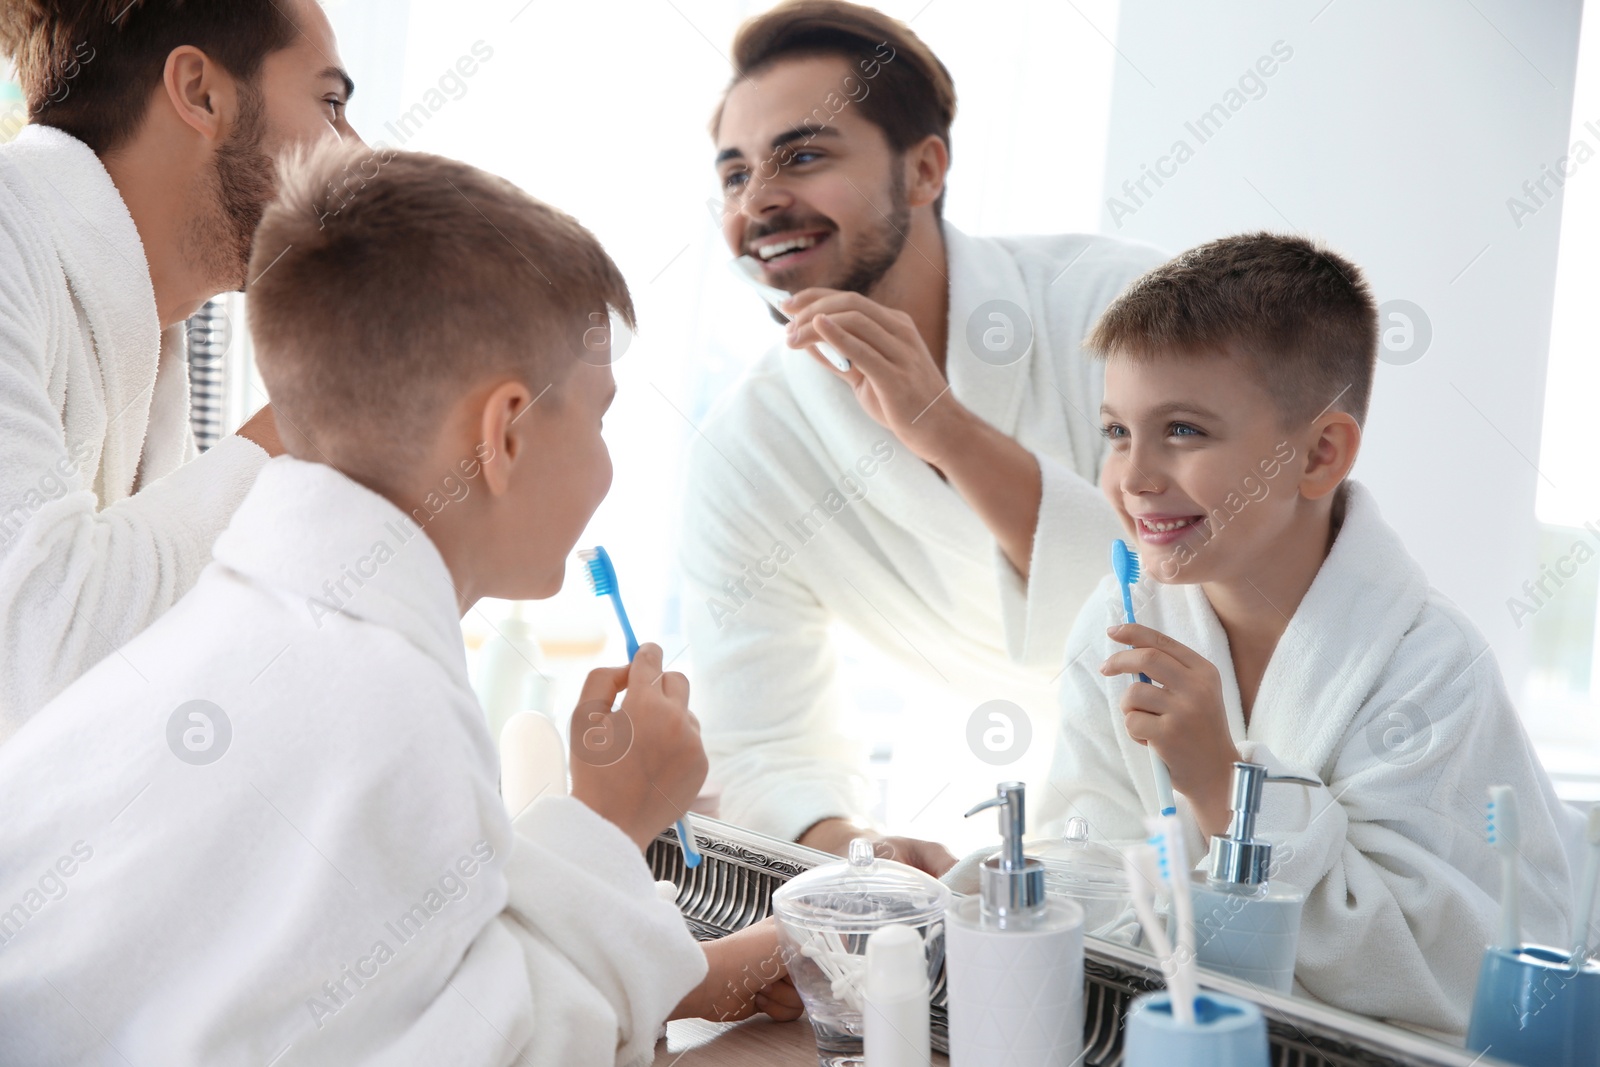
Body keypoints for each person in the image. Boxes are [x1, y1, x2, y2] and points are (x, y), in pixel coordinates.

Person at [0, 142, 800, 1064]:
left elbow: (414, 946)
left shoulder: (231, 633)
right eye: (599, 414)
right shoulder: (382, 703)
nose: (609, 463)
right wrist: (614, 823)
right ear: (503, 432)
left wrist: (706, 967)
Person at [681, 0, 1166, 868]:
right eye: (733, 175)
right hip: (991, 810)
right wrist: (861, 852)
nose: (759, 200)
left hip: (1217, 793)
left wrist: (943, 426)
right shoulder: (747, 446)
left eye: (803, 155)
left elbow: (1179, 598)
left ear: (924, 169)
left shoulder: (1121, 308)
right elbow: (768, 747)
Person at [1051, 231, 1574, 1033]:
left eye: (1183, 430)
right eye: (1117, 431)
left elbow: (1434, 970)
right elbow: (1081, 864)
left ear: (1319, 453)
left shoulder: (1428, 666)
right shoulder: (1118, 626)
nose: (1135, 476)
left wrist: (1226, 790)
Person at [0, 0, 356, 733]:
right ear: (200, 92)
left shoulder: (149, 344)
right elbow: (41, 659)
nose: (354, 148)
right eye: (330, 103)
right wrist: (317, 402)